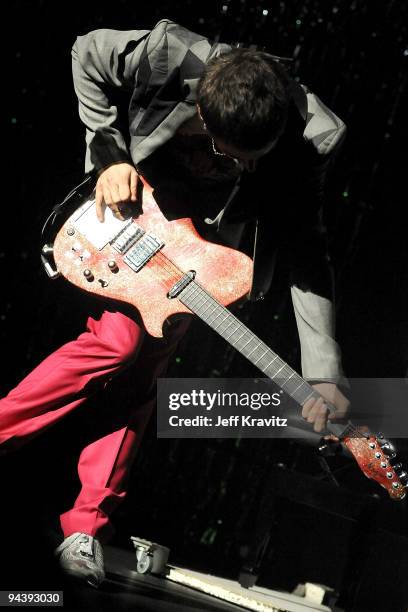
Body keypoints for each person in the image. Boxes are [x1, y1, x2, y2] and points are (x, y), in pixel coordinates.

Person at [0, 19, 350, 587]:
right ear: (205, 117)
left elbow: (307, 250)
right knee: (119, 344)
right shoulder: (166, 54)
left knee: (143, 374)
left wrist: (324, 372)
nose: (245, 168)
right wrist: (110, 154)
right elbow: (84, 52)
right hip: (134, 216)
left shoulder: (312, 136)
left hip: (202, 254)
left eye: (254, 158)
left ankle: (85, 527)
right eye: (228, 153)